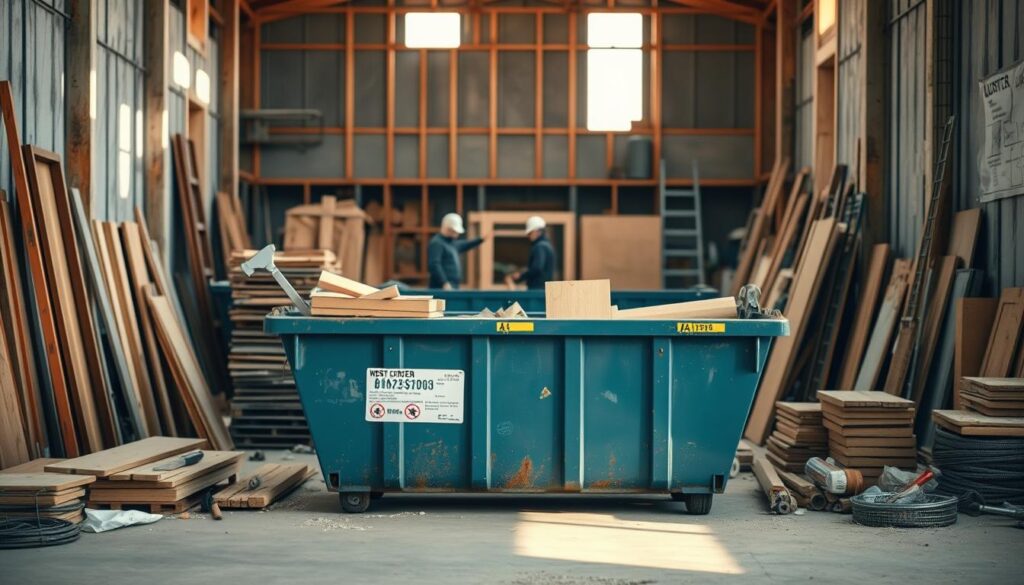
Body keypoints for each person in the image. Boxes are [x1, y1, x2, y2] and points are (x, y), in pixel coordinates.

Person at [428, 213, 486, 290]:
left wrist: (481, 239)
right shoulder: (437, 243)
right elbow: (434, 265)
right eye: (454, 231)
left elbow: (465, 244)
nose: (457, 234)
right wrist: (444, 282)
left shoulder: (450, 243)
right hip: (441, 288)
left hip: (452, 286)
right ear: (447, 228)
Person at [506, 215, 555, 290]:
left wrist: (521, 276)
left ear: (537, 231)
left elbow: (536, 268)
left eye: (530, 233)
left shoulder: (540, 247)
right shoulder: (547, 246)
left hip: (537, 291)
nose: (528, 236)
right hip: (544, 290)